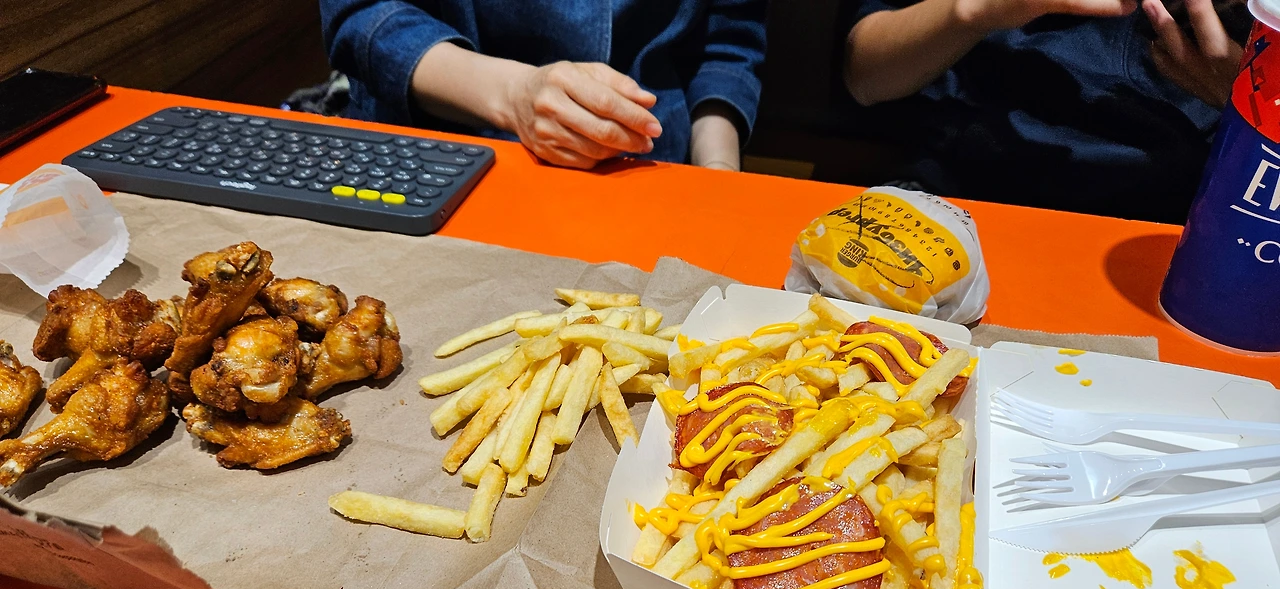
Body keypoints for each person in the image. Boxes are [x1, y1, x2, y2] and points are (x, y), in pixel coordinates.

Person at [836, 0, 1251, 222]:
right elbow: (866, 78)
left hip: (1182, 228)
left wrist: (1252, 105)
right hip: (952, 188)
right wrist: (974, 10)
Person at [320, 1, 767, 171]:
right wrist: (511, 95)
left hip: (655, 166)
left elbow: (727, 41)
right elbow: (363, 15)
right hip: (441, 158)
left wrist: (718, 170)